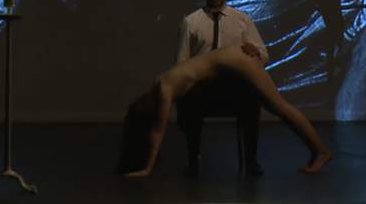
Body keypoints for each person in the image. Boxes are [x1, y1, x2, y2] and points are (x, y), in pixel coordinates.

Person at [119, 45, 332, 177]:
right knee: (277, 107)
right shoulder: (160, 83)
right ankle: (319, 151)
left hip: (237, 61)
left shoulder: (163, 88)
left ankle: (321, 151)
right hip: (233, 59)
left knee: (279, 107)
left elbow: (157, 130)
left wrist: (147, 168)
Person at [175, 0, 268, 176]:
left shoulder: (242, 20)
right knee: (189, 99)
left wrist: (255, 53)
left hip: (233, 87)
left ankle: (251, 161)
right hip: (203, 88)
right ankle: (193, 161)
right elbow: (181, 63)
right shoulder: (191, 22)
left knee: (252, 99)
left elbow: (264, 54)